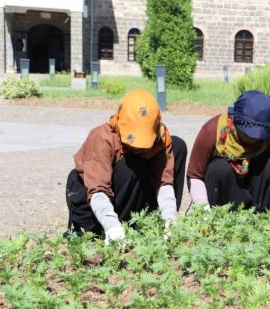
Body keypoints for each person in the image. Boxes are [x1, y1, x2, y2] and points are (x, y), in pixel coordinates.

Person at [65, 89, 187, 243]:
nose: (140, 148)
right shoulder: (102, 138)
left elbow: (164, 183)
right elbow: (98, 191)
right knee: (132, 163)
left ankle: (149, 222)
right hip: (92, 205)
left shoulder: (160, 137)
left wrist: (170, 220)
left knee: (177, 145)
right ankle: (118, 228)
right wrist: (112, 226)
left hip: (129, 195)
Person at [187, 90, 270, 212]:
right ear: (235, 120)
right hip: (224, 195)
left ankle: (265, 222)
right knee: (219, 167)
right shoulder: (213, 131)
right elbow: (195, 175)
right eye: (248, 132)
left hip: (258, 195)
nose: (253, 138)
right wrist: (203, 209)